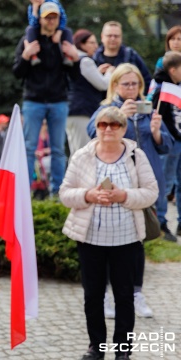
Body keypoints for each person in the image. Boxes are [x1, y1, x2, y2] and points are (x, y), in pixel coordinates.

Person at [61, 106, 158, 360]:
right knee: (93, 295)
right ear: (97, 128)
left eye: (114, 125)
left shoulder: (136, 156)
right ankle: (96, 347)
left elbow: (151, 192)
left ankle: (123, 350)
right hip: (90, 238)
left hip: (127, 238)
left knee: (124, 296)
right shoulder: (82, 156)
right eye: (103, 125)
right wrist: (88, 195)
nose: (108, 129)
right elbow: (64, 193)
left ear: (123, 129)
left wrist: (124, 195)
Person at [87, 63, 173, 319]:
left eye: (135, 84)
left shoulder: (147, 110)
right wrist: (117, 114)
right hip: (112, 184)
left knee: (136, 244)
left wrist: (157, 132)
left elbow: (165, 146)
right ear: (115, 86)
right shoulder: (105, 109)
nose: (131, 89)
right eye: (125, 84)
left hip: (141, 187)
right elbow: (92, 133)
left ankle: (135, 293)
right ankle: (104, 297)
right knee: (106, 243)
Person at [13, 2, 80, 196]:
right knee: (29, 148)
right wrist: (26, 57)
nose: (51, 21)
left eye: (54, 17)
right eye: (48, 17)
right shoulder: (29, 38)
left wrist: (75, 59)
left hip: (58, 100)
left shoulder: (64, 39)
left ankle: (57, 192)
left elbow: (74, 76)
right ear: (40, 19)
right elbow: (17, 72)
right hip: (33, 100)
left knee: (58, 149)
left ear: (59, 19)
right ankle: (24, 192)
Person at [67, 29, 112, 155]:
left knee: (76, 150)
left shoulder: (75, 59)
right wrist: (110, 74)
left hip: (73, 111)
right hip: (81, 111)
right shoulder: (85, 61)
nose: (96, 46)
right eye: (92, 43)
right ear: (81, 44)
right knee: (82, 152)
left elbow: (82, 80)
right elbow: (103, 85)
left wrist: (97, 72)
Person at [152, 51, 181, 238]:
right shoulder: (161, 90)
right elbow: (159, 117)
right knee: (165, 183)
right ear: (172, 70)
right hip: (170, 144)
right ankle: (160, 223)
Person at [93, 21, 151, 86]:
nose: (113, 39)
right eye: (109, 35)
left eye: (116, 36)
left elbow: (146, 79)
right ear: (102, 37)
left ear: (121, 37)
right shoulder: (94, 57)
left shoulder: (131, 56)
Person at [25, 1, 74, 66]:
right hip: (40, 30)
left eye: (54, 17)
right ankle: (33, 56)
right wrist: (35, 11)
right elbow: (33, 24)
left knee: (68, 31)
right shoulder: (31, 7)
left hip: (58, 29)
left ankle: (68, 56)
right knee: (29, 29)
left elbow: (63, 18)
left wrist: (59, 32)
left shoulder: (54, 2)